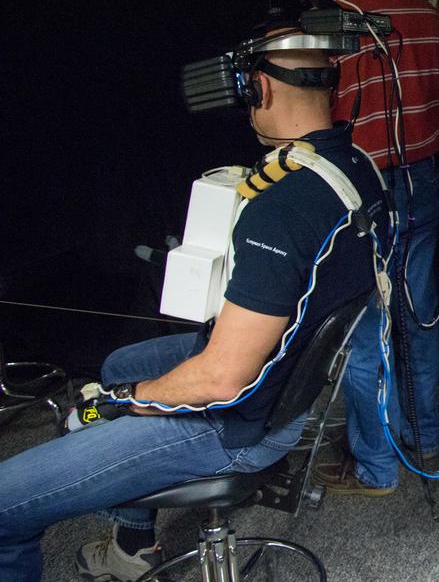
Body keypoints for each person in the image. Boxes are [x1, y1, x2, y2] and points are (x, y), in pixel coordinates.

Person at [0, 42, 389, 582]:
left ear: (260, 88)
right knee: (122, 362)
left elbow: (220, 378)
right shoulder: (360, 168)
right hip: (285, 390)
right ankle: (133, 548)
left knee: (5, 503)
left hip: (235, 424)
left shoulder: (277, 211)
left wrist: (124, 404)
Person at [315, 0, 439, 496]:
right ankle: (425, 437)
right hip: (422, 183)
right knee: (418, 316)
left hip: (360, 191)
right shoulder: (428, 18)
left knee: (365, 327)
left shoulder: (325, 28)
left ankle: (378, 463)